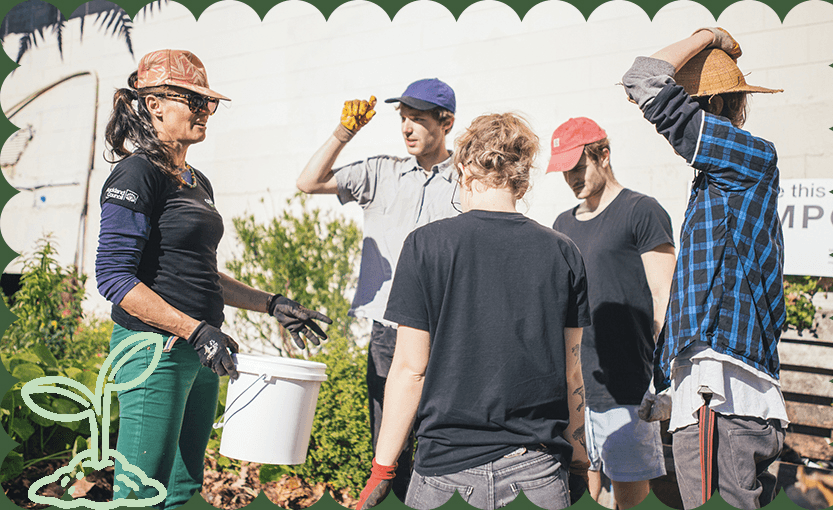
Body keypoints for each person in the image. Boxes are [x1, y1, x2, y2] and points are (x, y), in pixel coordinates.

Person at [95, 49, 331, 509]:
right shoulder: (136, 173)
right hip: (153, 351)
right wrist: (194, 329)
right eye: (193, 100)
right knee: (140, 492)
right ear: (154, 104)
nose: (205, 111)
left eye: (209, 102)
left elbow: (198, 270)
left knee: (183, 489)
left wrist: (272, 303)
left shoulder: (194, 179)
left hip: (199, 350)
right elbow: (114, 277)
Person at [354, 112, 592, 510]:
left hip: (444, 474)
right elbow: (572, 373)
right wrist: (581, 463)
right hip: (536, 472)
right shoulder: (563, 252)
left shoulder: (425, 246)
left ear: (463, 168)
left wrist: (383, 468)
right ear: (523, 175)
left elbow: (410, 369)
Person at [622, 28, 788, 509]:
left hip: (725, 400)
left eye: (690, 106)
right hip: (713, 396)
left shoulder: (747, 157)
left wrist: (709, 35)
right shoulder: (721, 180)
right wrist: (672, 386)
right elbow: (710, 289)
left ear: (710, 106)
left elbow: (643, 78)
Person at [296, 78, 458, 500]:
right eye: (403, 119)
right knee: (389, 446)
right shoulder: (380, 172)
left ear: (446, 123)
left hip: (448, 331)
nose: (406, 128)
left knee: (441, 440)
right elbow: (308, 182)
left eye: (418, 120)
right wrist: (344, 132)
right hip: (390, 330)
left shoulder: (466, 180)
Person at [547, 117, 675, 509]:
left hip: (626, 387)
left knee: (630, 500)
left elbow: (663, 295)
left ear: (603, 154)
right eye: (564, 170)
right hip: (576, 389)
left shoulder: (642, 211)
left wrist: (657, 373)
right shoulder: (561, 225)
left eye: (578, 166)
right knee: (584, 497)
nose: (571, 177)